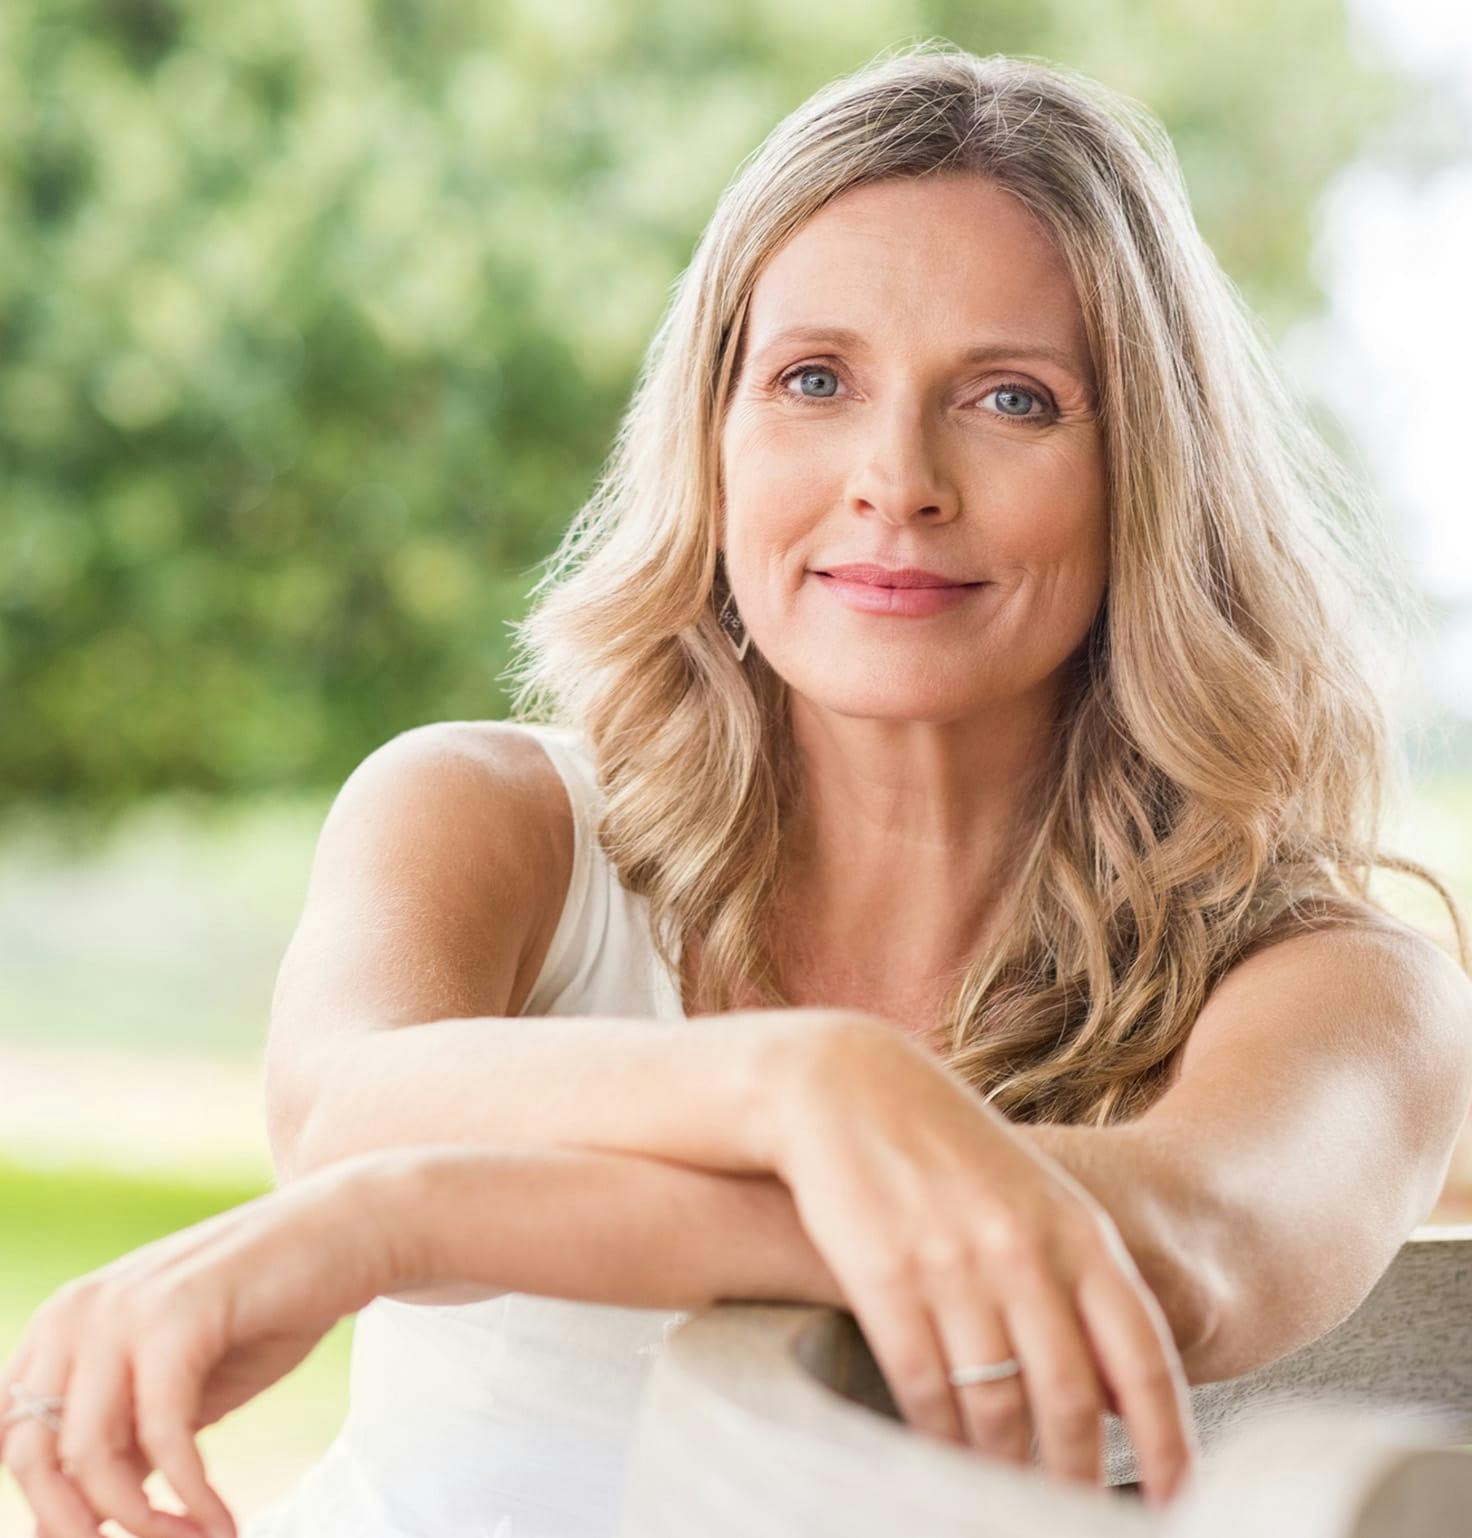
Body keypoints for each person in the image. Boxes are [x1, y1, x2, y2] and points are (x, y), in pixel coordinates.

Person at [5, 39, 1472, 1538]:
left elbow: (1182, 1251)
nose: (896, 478)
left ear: (1151, 477)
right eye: (815, 378)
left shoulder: (1350, 987)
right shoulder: (484, 814)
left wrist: (410, 1211)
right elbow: (344, 1110)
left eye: (1014, 399)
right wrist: (809, 1083)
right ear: (713, 438)